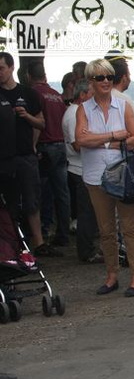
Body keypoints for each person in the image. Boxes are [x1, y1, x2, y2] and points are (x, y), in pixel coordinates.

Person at [75, 58, 134, 297]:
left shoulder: (123, 105)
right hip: (96, 176)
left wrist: (98, 139)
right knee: (105, 230)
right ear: (90, 81)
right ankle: (112, 275)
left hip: (122, 173)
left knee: (129, 227)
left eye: (109, 77)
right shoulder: (83, 109)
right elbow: (80, 140)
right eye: (99, 78)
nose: (105, 82)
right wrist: (114, 136)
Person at [0, 52, 57, 257]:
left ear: (11, 67)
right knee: (9, 203)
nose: (0, 73)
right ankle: (12, 245)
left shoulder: (29, 93)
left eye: (2, 68)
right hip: (3, 159)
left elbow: (41, 124)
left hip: (25, 155)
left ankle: (39, 242)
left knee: (32, 200)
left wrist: (27, 117)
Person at [28, 61, 71, 249]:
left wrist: (32, 146)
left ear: (29, 76)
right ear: (45, 75)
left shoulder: (33, 94)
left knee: (42, 191)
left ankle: (43, 231)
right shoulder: (55, 95)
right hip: (60, 144)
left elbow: (37, 122)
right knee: (62, 192)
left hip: (45, 145)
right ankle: (63, 231)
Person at [62, 77, 101, 263]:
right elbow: (77, 144)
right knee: (86, 212)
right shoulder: (73, 114)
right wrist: (97, 139)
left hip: (86, 167)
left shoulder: (79, 111)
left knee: (91, 211)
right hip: (80, 168)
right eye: (92, 94)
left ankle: (90, 247)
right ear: (83, 95)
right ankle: (86, 251)